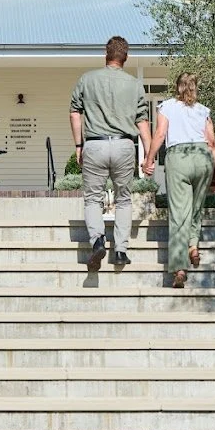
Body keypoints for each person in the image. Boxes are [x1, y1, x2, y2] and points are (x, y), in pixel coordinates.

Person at [69, 36, 152, 269]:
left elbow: (75, 112)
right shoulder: (134, 84)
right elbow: (142, 121)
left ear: (106, 54)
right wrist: (149, 155)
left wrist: (79, 145)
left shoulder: (87, 79)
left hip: (95, 144)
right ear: (126, 58)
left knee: (93, 198)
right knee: (123, 199)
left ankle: (97, 241)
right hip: (124, 145)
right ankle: (121, 251)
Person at [142, 73, 215, 288]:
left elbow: (160, 134)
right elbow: (212, 143)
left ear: (178, 87)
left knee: (179, 214)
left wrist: (149, 159)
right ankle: (193, 246)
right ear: (195, 88)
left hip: (179, 158)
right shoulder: (203, 111)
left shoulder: (167, 106)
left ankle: (180, 268)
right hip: (203, 158)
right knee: (196, 207)